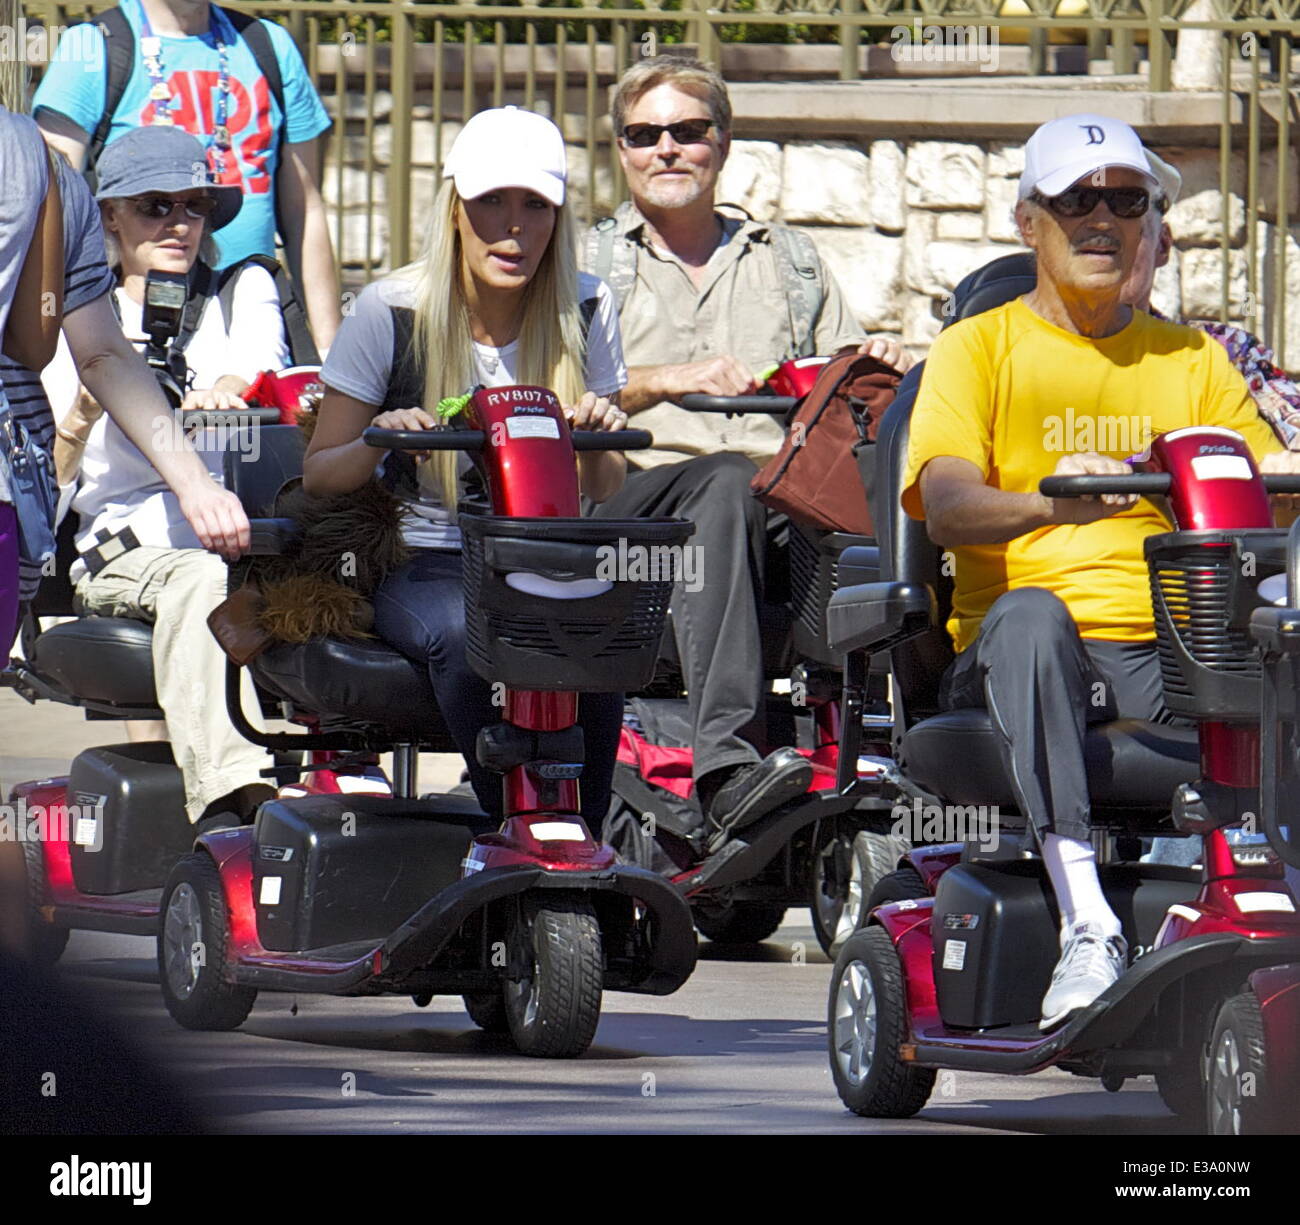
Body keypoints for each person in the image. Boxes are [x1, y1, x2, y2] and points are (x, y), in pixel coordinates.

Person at [902, 113, 1300, 1029]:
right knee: (1036, 615)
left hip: (1165, 654)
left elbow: (1254, 490)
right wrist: (1056, 504)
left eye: (1125, 200)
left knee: (1271, 625)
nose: (1100, 219)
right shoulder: (978, 348)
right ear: (1027, 221)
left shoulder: (1192, 358)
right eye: (1076, 198)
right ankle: (1087, 921)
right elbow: (950, 500)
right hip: (1019, 653)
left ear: (1152, 225)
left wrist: (1277, 479)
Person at [581, 55, 913, 839]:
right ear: (621, 150)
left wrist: (876, 365)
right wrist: (663, 379)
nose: (666, 148)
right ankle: (724, 763)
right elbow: (552, 396)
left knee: (890, 486)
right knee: (726, 481)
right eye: (644, 134)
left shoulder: (788, 262)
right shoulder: (588, 268)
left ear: (721, 145)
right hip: (632, 511)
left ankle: (914, 761)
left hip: (766, 508)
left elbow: (839, 392)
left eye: (688, 131)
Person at [304, 106, 629, 830]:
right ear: (455, 209)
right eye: (492, 202)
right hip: (422, 554)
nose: (514, 227)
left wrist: (599, 435)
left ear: (558, 214)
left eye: (534, 205)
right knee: (464, 630)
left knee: (602, 637)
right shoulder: (388, 310)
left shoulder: (587, 302)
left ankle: (581, 834)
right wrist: (382, 439)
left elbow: (607, 489)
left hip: (545, 547)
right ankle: (512, 821)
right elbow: (322, 472)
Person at [43, 126, 282, 832]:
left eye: (194, 205)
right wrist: (85, 413)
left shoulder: (245, 290)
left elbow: (267, 377)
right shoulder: (79, 322)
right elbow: (52, 488)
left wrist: (231, 392)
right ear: (109, 213)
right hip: (124, 552)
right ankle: (235, 806)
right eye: (154, 205)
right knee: (202, 582)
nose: (179, 224)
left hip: (248, 539)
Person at [33, 0, 341, 352]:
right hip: (128, 319)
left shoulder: (268, 44)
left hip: (248, 318)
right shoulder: (93, 46)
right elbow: (53, 206)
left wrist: (328, 348)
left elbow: (305, 209)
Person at [1125, 150, 1300, 448]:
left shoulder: (1227, 351)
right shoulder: (1018, 343)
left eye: (1126, 209)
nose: (1103, 236)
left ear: (1163, 244)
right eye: (1076, 205)